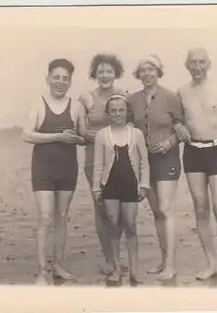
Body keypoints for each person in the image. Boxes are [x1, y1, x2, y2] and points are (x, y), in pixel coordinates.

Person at [176, 48, 217, 283]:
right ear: (186, 65)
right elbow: (178, 121)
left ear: (209, 63)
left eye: (202, 62)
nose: (198, 67)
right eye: (193, 62)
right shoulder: (181, 92)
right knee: (200, 209)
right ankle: (211, 263)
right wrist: (177, 127)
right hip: (193, 152)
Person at [22, 58, 87, 285]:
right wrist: (57, 137)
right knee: (46, 217)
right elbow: (27, 135)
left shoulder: (76, 106)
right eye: (56, 77)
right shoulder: (38, 104)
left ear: (70, 81)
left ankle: (58, 265)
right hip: (43, 168)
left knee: (61, 218)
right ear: (48, 78)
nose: (60, 82)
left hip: (68, 168)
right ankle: (42, 271)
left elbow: (83, 137)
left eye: (65, 78)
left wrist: (75, 138)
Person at [128, 54, 188, 280]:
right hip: (145, 161)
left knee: (166, 208)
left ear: (158, 72)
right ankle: (163, 261)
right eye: (143, 70)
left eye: (151, 69)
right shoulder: (133, 100)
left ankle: (171, 265)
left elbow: (183, 129)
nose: (147, 74)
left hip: (167, 159)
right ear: (138, 74)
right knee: (156, 212)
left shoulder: (171, 97)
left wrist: (170, 142)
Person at [78, 53, 131, 275]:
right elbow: (82, 130)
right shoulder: (86, 98)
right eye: (100, 71)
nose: (105, 75)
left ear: (116, 73)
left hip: (121, 160)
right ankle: (110, 259)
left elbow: (130, 125)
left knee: (119, 211)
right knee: (102, 211)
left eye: (109, 71)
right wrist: (98, 136)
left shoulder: (123, 96)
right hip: (94, 162)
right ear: (94, 74)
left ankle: (118, 258)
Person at [92, 93, 150, 284]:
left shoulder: (136, 134)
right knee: (114, 227)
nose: (118, 114)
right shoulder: (102, 135)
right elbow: (98, 164)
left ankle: (134, 270)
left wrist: (144, 185)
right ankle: (116, 268)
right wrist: (96, 188)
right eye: (114, 110)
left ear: (127, 112)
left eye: (121, 110)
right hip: (109, 186)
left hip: (130, 185)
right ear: (108, 113)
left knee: (130, 226)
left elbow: (144, 162)